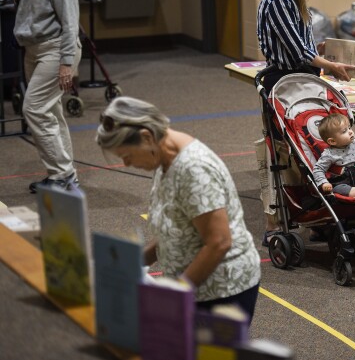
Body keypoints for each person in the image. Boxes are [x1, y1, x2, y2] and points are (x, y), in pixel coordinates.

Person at [96, 97, 261, 322]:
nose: (125, 164)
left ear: (147, 137)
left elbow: (219, 242)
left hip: (222, 290)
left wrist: (176, 294)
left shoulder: (194, 169)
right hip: (195, 287)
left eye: (127, 156)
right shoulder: (163, 157)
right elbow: (176, 227)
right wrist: (132, 262)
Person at [256, 0, 355, 240]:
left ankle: (319, 209)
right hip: (286, 84)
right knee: (289, 151)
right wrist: (329, 64)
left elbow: (300, 43)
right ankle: (279, 219)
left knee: (309, 147)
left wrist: (320, 50)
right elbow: (297, 52)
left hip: (300, 79)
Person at [10, 0, 82, 193]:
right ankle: (62, 175)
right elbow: (39, 12)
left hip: (55, 49)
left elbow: (70, 23)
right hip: (35, 50)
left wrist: (66, 63)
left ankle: (62, 176)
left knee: (34, 109)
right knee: (50, 111)